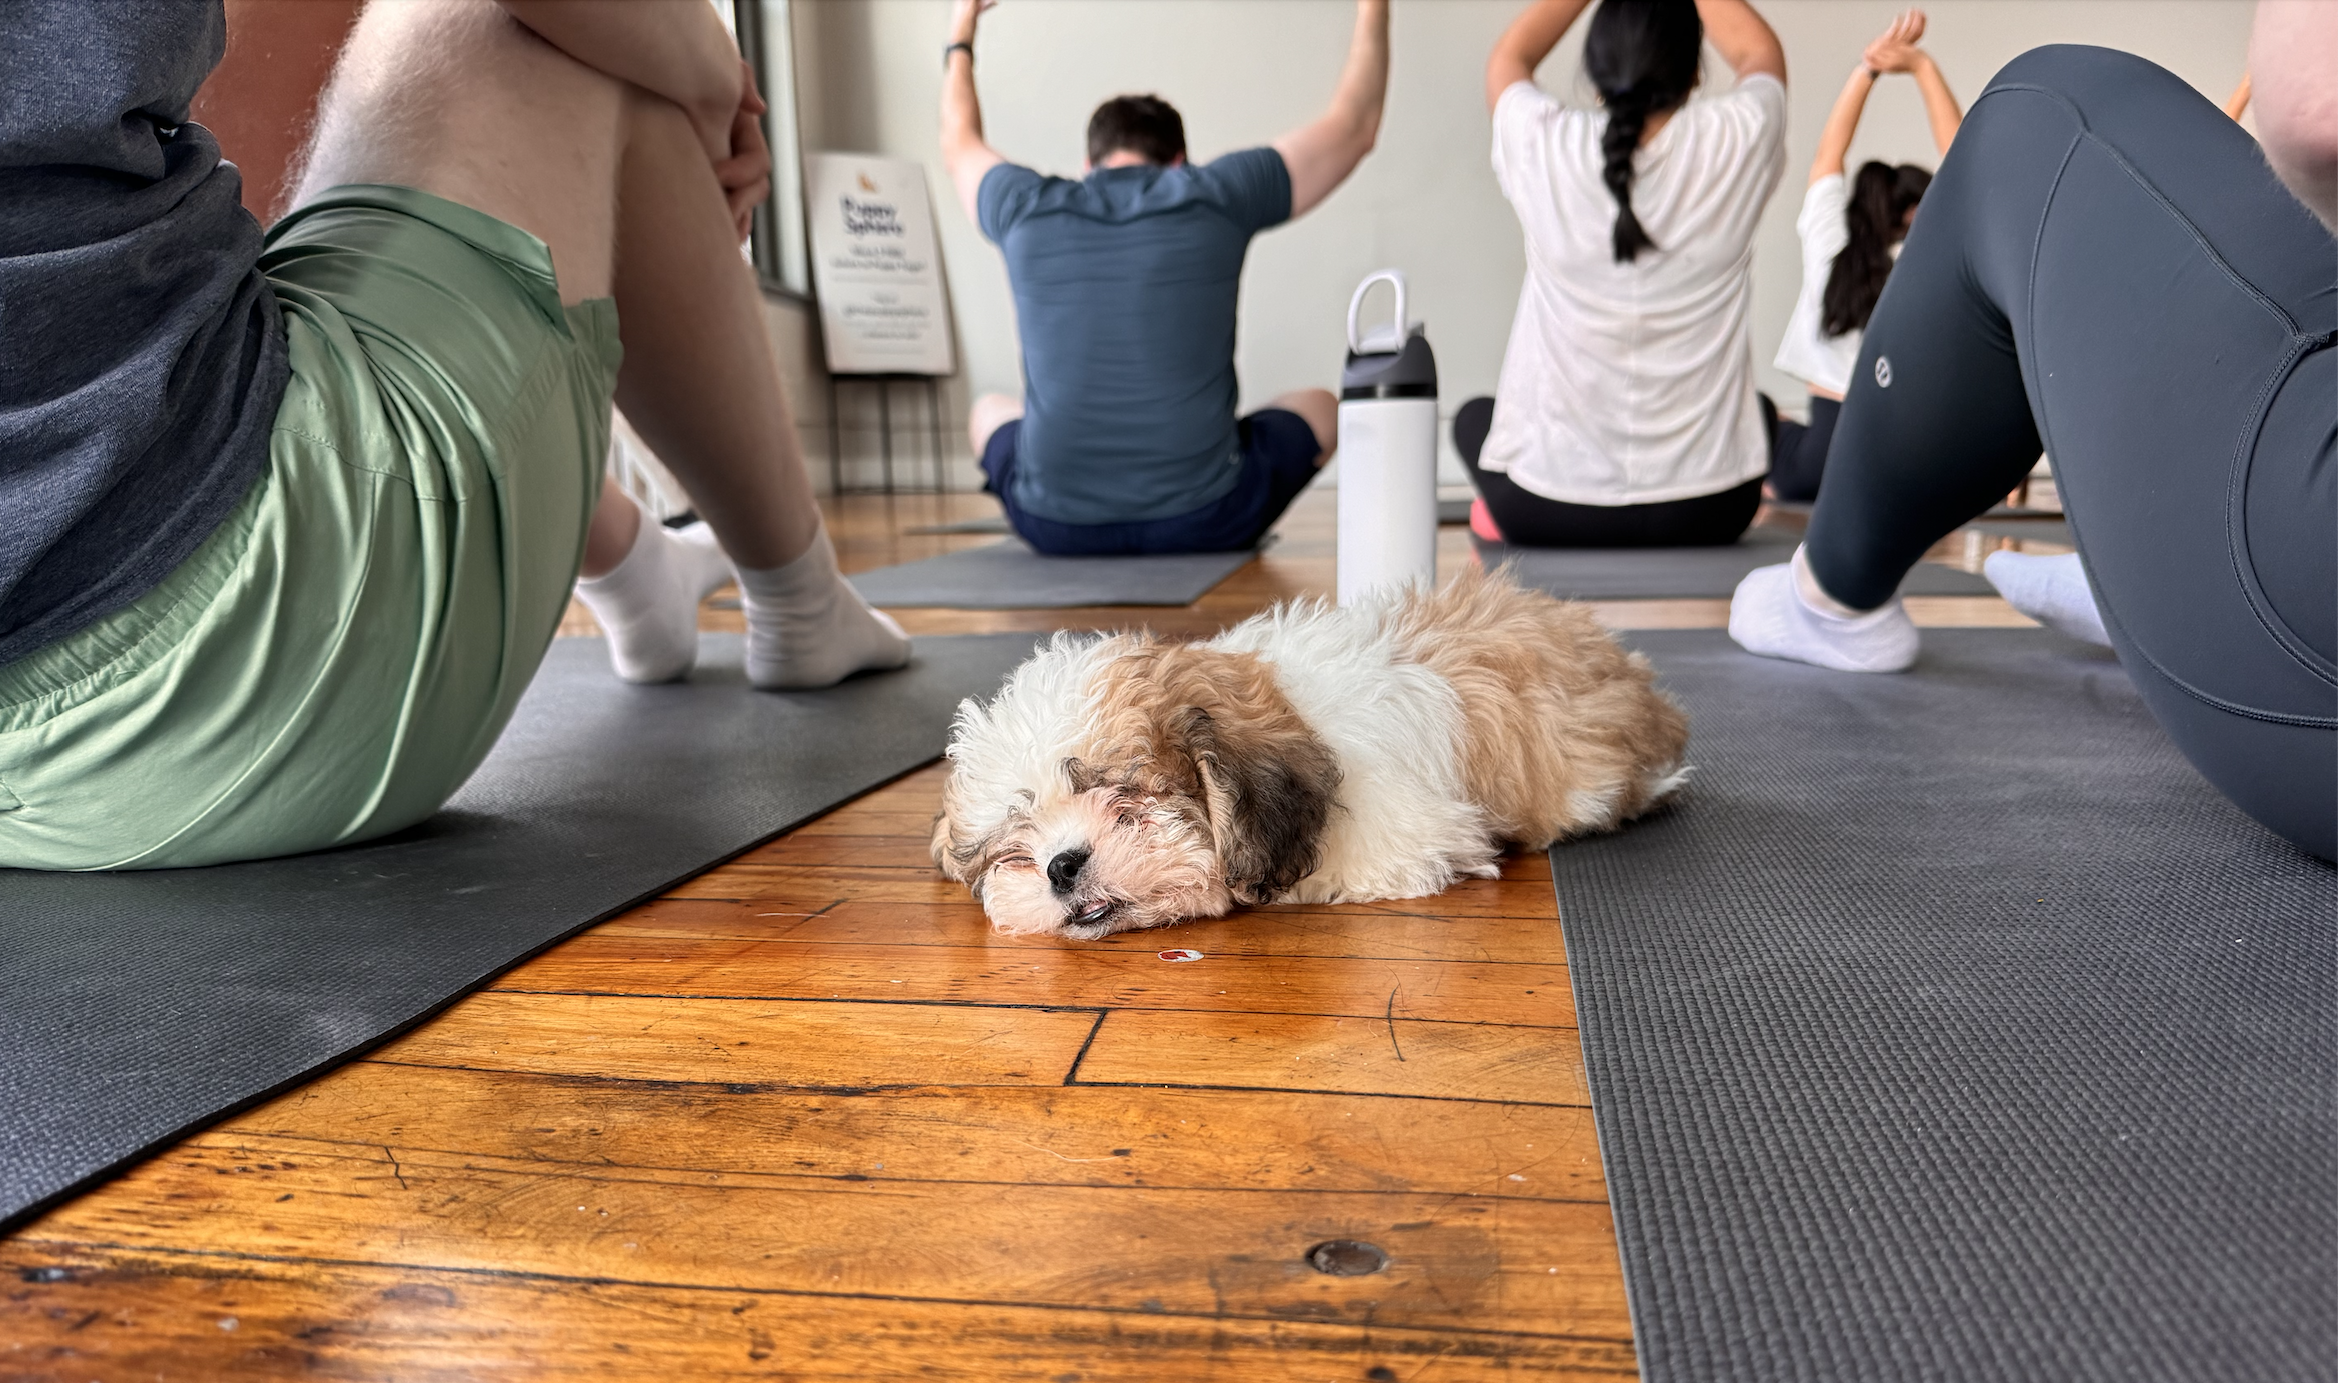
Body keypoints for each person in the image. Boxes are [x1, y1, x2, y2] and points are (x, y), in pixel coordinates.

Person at [0, 0, 911, 872]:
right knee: (529, 27)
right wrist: (719, 92)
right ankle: (800, 599)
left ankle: (635, 567)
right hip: (205, 708)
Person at [1727, 34, 2336, 863]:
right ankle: (2125, 575)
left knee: (2038, 110)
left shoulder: (1830, 239)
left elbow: (2314, 110)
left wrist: (1873, 72)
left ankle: (1830, 594)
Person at [939, 0, 1388, 556]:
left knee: (987, 412)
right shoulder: (1215, 193)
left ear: (1090, 164)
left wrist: (963, 26)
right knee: (1323, 404)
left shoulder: (1024, 205)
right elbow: (1354, 127)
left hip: (1052, 524)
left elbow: (958, 142)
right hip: (1209, 518)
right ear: (1179, 161)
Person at [1457, 0, 1786, 549]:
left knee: (1472, 419)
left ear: (1595, 73)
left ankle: (1493, 513)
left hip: (1542, 509)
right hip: (1713, 510)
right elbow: (1759, 52)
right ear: (1696, 72)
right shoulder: (1740, 136)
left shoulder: (1543, 141)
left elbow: (1511, 56)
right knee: (1763, 414)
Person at [1766, 8, 1961, 503]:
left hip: (1811, 469)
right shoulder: (1929, 262)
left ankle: (1771, 457)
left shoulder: (1828, 239)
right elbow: (1965, 167)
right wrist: (1922, 67)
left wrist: (1867, 68)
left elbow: (1828, 154)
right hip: (1895, 463)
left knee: (1754, 408)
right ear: (1916, 213)